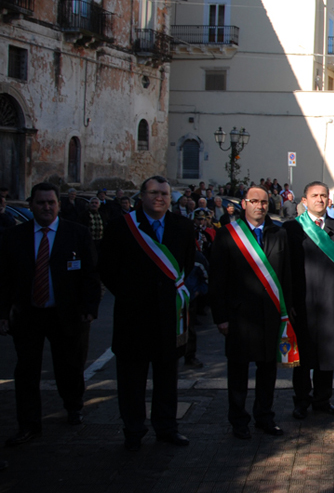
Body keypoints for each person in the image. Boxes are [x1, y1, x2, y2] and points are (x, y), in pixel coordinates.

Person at [0, 183, 100, 446]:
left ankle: (73, 405)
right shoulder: (14, 236)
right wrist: (3, 312)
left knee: (69, 365)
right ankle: (29, 424)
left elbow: (90, 273)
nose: (46, 207)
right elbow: (5, 278)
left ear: (58, 204)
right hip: (28, 314)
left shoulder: (76, 233)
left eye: (51, 202)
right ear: (31, 205)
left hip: (66, 314)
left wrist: (90, 308)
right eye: (41, 202)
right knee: (26, 371)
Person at [100, 175, 195, 450]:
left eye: (165, 194)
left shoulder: (182, 226)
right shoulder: (122, 227)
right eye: (154, 193)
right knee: (132, 379)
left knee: (167, 377)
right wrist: (132, 295)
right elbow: (107, 268)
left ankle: (166, 427)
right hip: (134, 316)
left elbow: (185, 265)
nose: (160, 198)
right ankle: (133, 429)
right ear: (141, 196)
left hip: (169, 316)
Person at [209, 185, 293, 439]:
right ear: (244, 204)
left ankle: (264, 417)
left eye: (264, 202)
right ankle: (238, 420)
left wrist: (287, 313)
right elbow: (217, 280)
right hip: (239, 316)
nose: (260, 206)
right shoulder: (227, 235)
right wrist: (220, 317)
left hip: (270, 315)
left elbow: (286, 277)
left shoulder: (279, 234)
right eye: (254, 201)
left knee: (268, 371)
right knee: (238, 372)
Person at [282, 181, 334, 419]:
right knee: (302, 357)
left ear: (329, 200)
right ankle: (301, 401)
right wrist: (289, 303)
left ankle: (323, 400)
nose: (320, 200)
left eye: (323, 196)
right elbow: (286, 269)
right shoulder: (292, 229)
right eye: (314, 196)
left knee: (327, 355)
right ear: (305, 201)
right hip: (302, 303)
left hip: (332, 302)